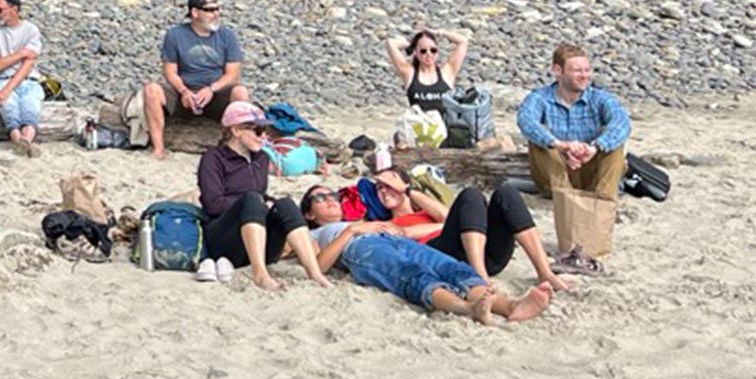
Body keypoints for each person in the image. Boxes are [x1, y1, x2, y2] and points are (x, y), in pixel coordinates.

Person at [302, 186, 555, 325]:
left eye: (333, 195)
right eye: (320, 197)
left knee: (452, 269)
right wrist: (351, 231)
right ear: (309, 214)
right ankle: (468, 309)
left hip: (391, 238)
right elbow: (318, 266)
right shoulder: (315, 233)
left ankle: (509, 305)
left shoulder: (366, 219)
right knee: (411, 275)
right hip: (360, 248)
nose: (331, 200)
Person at [367, 165, 570, 293]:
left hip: (485, 252)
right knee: (471, 195)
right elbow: (405, 235)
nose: (384, 190)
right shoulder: (390, 223)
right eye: (379, 188)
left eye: (389, 183)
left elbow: (446, 216)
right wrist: (450, 225)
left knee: (506, 194)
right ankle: (479, 276)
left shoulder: (428, 210)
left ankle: (544, 272)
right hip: (445, 255)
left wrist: (409, 190)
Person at [195, 102, 327, 291]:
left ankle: (315, 273)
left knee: (285, 204)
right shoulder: (213, 158)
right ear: (236, 131)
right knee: (251, 199)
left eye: (265, 130)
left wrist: (266, 202)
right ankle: (260, 274)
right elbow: (212, 204)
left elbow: (261, 195)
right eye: (257, 131)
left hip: (260, 240)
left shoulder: (262, 159)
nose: (263, 136)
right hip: (224, 240)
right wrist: (252, 203)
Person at [141, 0, 250, 158]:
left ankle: (236, 148)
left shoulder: (227, 35)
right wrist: (184, 91)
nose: (216, 14)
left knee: (240, 92)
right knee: (151, 90)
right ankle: (158, 148)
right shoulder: (175, 34)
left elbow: (233, 74)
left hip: (215, 92)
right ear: (195, 12)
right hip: (184, 91)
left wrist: (211, 89)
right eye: (210, 10)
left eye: (217, 9)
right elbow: (170, 71)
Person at [516, 43, 632, 200]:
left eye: (587, 70)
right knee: (540, 143)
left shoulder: (600, 98)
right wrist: (560, 145)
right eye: (577, 71)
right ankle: (567, 199)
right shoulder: (540, 97)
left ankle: (604, 199)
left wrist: (595, 147)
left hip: (591, 170)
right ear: (558, 71)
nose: (584, 76)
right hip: (557, 174)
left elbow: (622, 122)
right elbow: (526, 120)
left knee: (614, 144)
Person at [0, 0, 45, 157]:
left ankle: (26, 141)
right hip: (1, 78)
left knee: (31, 106)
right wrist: (21, 54)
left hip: (28, 79)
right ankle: (17, 140)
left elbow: (28, 65)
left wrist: (8, 88)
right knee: (9, 108)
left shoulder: (31, 30)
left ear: (14, 10)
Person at [385, 28, 468, 116]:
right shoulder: (409, 74)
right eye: (423, 51)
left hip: (443, 128)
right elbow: (390, 43)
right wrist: (411, 43)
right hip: (419, 127)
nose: (429, 54)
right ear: (416, 53)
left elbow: (463, 42)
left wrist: (439, 33)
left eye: (433, 50)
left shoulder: (447, 72)